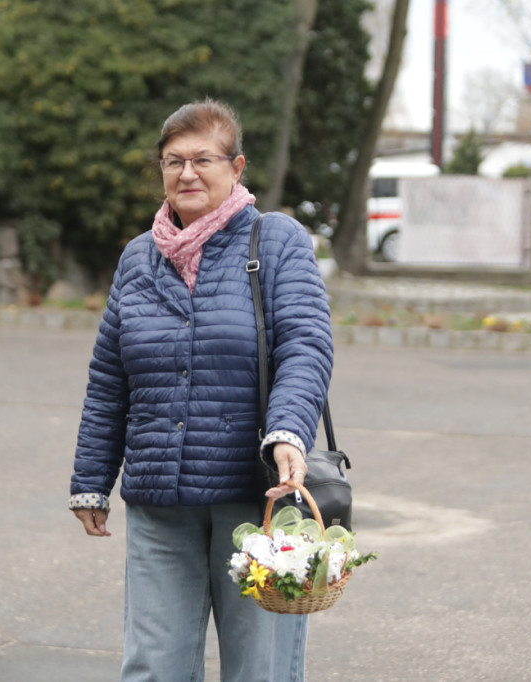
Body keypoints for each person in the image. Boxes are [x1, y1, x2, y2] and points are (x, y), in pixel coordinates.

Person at [69, 98, 333, 682]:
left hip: (255, 497)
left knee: (258, 669)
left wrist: (288, 430)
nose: (186, 173)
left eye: (202, 159)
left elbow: (306, 344)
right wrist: (91, 480)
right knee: (152, 668)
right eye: (172, 161)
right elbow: (110, 377)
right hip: (161, 502)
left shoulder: (277, 240)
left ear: (236, 168)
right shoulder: (138, 258)